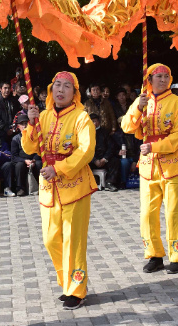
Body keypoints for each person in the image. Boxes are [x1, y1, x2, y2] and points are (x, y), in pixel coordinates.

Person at [23, 71, 96, 308]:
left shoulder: (81, 117)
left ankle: (76, 288)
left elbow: (86, 150)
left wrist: (60, 168)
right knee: (50, 238)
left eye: (66, 86)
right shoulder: (42, 116)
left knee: (73, 240)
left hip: (74, 185)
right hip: (49, 187)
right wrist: (31, 124)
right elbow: (29, 147)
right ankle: (66, 281)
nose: (60, 90)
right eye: (57, 85)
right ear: (50, 90)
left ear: (75, 94)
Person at [121, 63, 178, 274]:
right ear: (149, 80)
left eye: (166, 76)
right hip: (148, 166)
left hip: (173, 165)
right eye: (158, 76)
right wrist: (137, 108)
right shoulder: (142, 101)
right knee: (147, 214)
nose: (162, 79)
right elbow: (127, 126)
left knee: (173, 212)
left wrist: (154, 146)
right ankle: (154, 254)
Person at [7, 113, 40, 196]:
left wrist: (34, 160)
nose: (24, 126)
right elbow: (14, 156)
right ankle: (20, 189)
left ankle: (41, 186)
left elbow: (39, 151)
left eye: (26, 123)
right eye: (22, 124)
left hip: (34, 158)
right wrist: (25, 161)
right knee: (19, 165)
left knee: (39, 163)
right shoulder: (15, 139)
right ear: (18, 126)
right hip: (22, 160)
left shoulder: (35, 136)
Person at [88, 112, 122, 191]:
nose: (94, 123)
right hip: (92, 159)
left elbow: (111, 147)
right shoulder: (86, 133)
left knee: (115, 161)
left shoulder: (104, 132)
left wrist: (104, 159)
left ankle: (109, 182)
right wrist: (95, 160)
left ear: (99, 121)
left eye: (95, 121)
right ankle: (89, 184)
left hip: (104, 158)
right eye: (92, 121)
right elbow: (85, 149)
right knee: (83, 163)